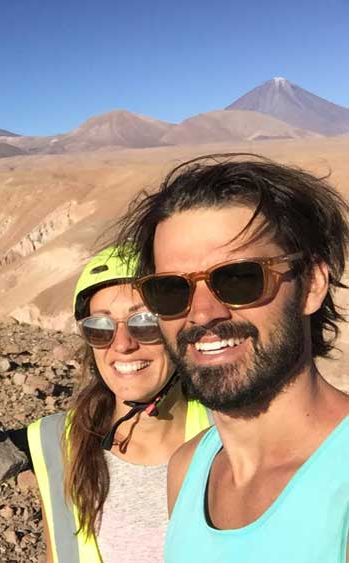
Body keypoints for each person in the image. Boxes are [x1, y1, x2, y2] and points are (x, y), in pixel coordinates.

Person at [115, 153, 349, 562]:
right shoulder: (188, 470)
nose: (203, 313)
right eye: (170, 289)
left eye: (239, 278)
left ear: (312, 285)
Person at [28, 245, 211, 563]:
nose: (123, 344)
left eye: (144, 323)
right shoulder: (56, 443)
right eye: (100, 328)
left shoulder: (230, 435)